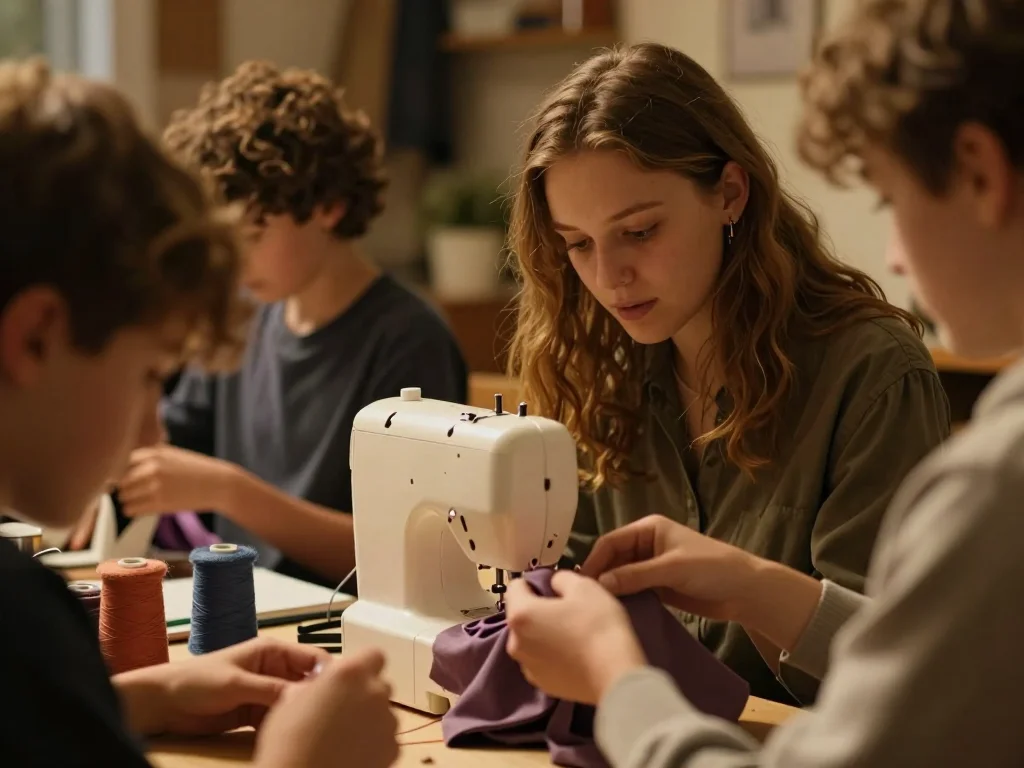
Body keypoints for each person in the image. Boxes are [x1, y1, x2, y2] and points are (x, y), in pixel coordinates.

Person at [504, 0, 1024, 765]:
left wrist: (619, 679)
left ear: (731, 194)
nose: (608, 277)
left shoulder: (888, 387)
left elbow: (878, 693)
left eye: (640, 231)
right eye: (577, 245)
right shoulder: (602, 365)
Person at [0, 59, 398, 768]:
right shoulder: (19, 622)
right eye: (150, 375)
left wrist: (152, 695)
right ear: (34, 337)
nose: (152, 432)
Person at [103, 61, 468, 589]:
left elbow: (416, 553)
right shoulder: (244, 321)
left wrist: (231, 492)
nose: (236, 260)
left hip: (338, 626)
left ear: (329, 206)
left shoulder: (408, 341)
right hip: (244, 611)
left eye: (254, 232)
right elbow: (165, 446)